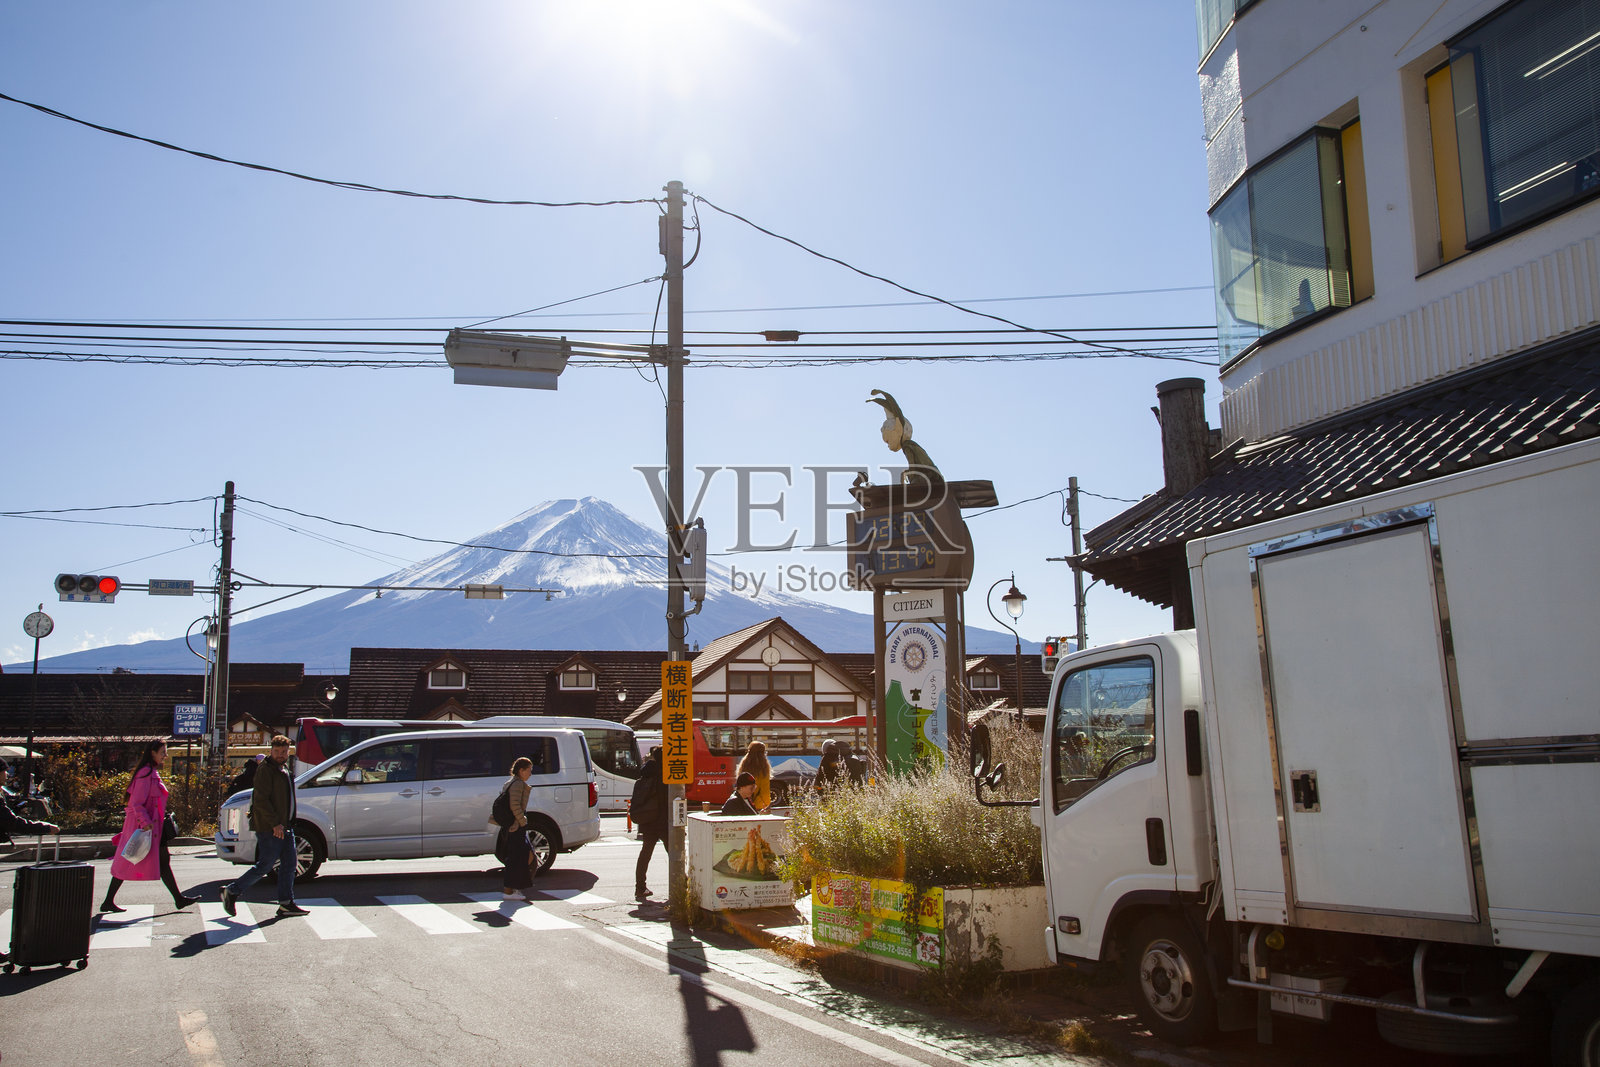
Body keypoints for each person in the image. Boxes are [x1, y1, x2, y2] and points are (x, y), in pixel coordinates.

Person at [103, 739, 198, 913]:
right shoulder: (146, 773)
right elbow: (136, 803)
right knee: (129, 860)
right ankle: (108, 901)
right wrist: (146, 823)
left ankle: (179, 899)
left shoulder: (149, 772)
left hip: (153, 826)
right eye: (163, 751)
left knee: (162, 862)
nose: (165, 755)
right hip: (146, 827)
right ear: (152, 752)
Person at [220, 735, 307, 918]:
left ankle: (286, 903)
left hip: (285, 826)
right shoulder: (266, 770)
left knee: (290, 864)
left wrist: (285, 823)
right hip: (270, 827)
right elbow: (261, 800)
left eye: (284, 752)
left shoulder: (283, 769)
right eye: (277, 751)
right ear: (270, 751)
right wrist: (274, 823)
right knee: (265, 865)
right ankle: (232, 890)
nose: (280, 755)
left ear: (288, 751)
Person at [630, 745, 667, 902]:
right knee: (675, 853)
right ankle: (682, 883)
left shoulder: (646, 774)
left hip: (648, 820)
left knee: (645, 854)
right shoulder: (665, 775)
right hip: (663, 821)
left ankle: (640, 887)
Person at [498, 756, 534, 901]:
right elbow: (514, 806)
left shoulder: (510, 782)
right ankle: (509, 890)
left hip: (511, 825)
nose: (531, 774)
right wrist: (522, 820)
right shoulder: (517, 784)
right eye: (529, 770)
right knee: (517, 858)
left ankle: (514, 887)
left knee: (522, 856)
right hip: (515, 826)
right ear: (521, 770)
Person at [735, 740, 771, 812]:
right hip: (758, 806)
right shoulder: (763, 768)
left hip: (744, 803)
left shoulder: (743, 765)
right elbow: (765, 791)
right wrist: (766, 805)